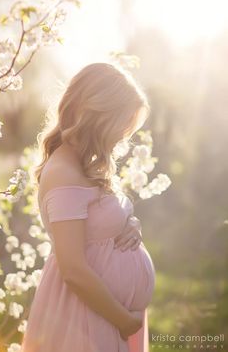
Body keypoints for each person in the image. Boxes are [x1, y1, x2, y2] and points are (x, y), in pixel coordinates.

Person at [20, 62, 155, 352]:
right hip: (86, 318)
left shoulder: (85, 162)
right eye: (123, 123)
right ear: (98, 115)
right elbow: (73, 270)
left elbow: (99, 223)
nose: (124, 135)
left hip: (106, 313)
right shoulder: (64, 171)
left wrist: (130, 224)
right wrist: (124, 321)